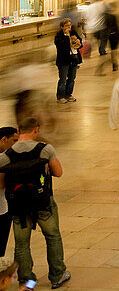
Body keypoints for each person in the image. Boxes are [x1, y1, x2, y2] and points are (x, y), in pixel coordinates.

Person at [0, 117, 68, 289]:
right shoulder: (45, 149)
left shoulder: (5, 156)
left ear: (18, 130)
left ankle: (27, 280)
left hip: (18, 206)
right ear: (36, 130)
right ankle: (57, 276)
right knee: (52, 237)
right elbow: (58, 172)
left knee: (21, 243)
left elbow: (1, 184)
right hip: (43, 202)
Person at [52, 20, 79, 104]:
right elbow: (62, 46)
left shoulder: (73, 33)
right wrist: (67, 36)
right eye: (66, 26)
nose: (69, 27)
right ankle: (60, 96)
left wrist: (78, 41)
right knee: (63, 79)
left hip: (73, 59)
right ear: (62, 27)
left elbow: (79, 41)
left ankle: (68, 94)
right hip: (63, 60)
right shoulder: (59, 36)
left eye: (70, 25)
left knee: (72, 78)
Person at [0, 126, 15, 257]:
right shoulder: (3, 158)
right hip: (1, 210)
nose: (15, 145)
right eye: (13, 140)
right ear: (4, 139)